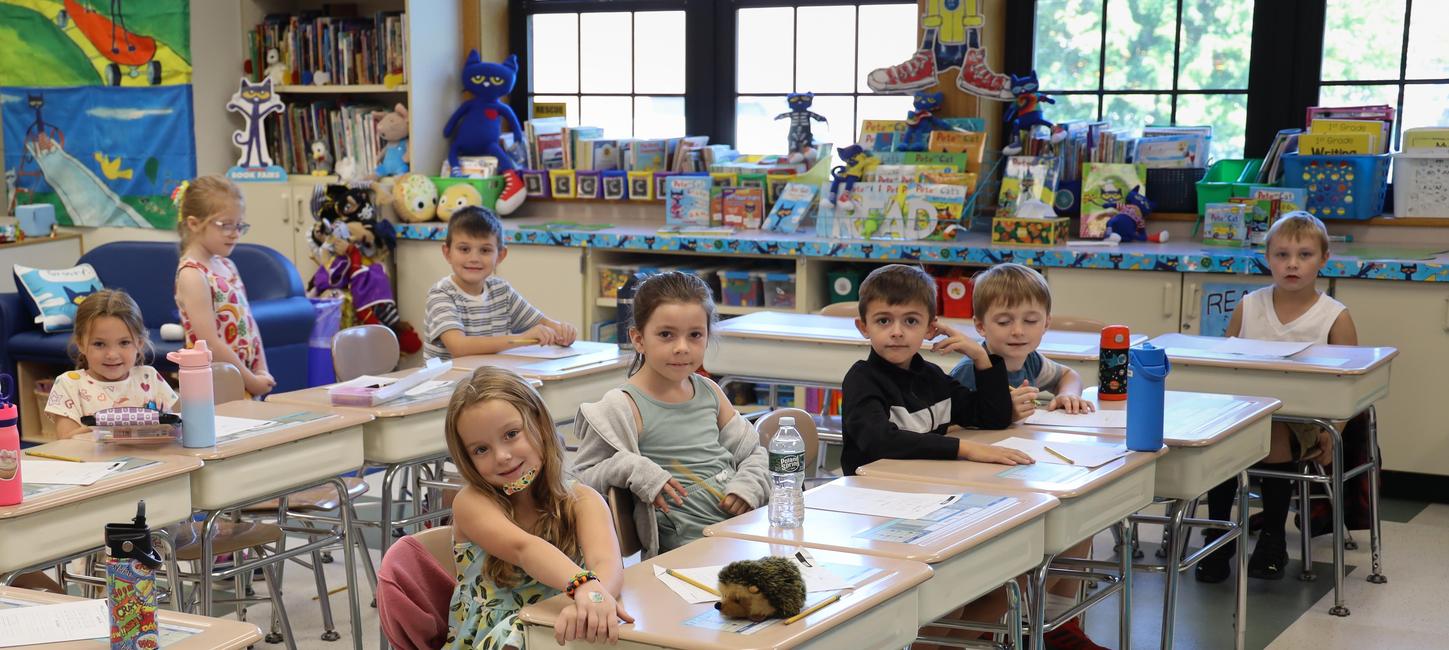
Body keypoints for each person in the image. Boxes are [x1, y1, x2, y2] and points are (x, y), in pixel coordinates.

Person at [1198, 212, 1358, 583]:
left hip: (1304, 420)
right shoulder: (1249, 306)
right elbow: (1226, 366)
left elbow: (1350, 384)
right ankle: (1220, 533)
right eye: (1282, 255)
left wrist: (1334, 430)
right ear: (1267, 258)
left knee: (1272, 432)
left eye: (1304, 255)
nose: (1292, 264)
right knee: (1223, 436)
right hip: (1242, 411)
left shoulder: (1335, 316)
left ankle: (1272, 536)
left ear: (1324, 259)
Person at [573, 271, 770, 557]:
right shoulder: (621, 406)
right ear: (638, 339)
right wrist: (634, 468)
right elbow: (581, 482)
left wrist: (748, 487)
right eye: (666, 335)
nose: (682, 348)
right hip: (685, 555)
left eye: (695, 335)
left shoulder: (709, 392)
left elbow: (754, 452)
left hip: (743, 535)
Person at [444, 366, 632, 648]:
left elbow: (606, 564)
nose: (503, 456)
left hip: (563, 628)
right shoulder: (471, 503)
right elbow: (525, 548)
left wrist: (592, 601)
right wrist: (583, 585)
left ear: (540, 426)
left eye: (511, 434)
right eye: (481, 450)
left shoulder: (583, 500)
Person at [425, 206, 578, 361]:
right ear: (447, 253)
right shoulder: (441, 294)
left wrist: (562, 332)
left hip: (488, 380)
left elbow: (545, 324)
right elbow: (459, 347)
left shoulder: (501, 291)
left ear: (500, 256)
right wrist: (521, 339)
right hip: (448, 383)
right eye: (464, 249)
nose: (474, 258)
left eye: (485, 250)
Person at [173, 176, 274, 397]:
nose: (235, 233)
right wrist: (250, 380)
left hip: (245, 378)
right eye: (226, 225)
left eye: (239, 225)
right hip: (217, 384)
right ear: (193, 223)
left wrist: (261, 369)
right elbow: (209, 342)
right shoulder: (192, 274)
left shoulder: (228, 265)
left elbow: (249, 324)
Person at [46, 289, 177, 438]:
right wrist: (110, 424)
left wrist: (164, 416)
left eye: (124, 342)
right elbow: (65, 442)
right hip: (92, 461)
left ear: (139, 343)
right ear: (81, 344)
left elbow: (172, 433)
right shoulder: (68, 384)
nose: (112, 355)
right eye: (99, 344)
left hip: (152, 459)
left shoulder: (149, 377)